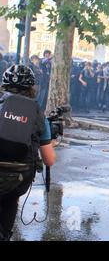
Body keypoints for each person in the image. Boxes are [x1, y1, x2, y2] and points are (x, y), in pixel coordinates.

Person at [0, 65, 56, 241]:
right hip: (19, 179)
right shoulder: (39, 114)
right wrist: (51, 141)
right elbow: (49, 160)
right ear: (32, 88)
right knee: (9, 202)